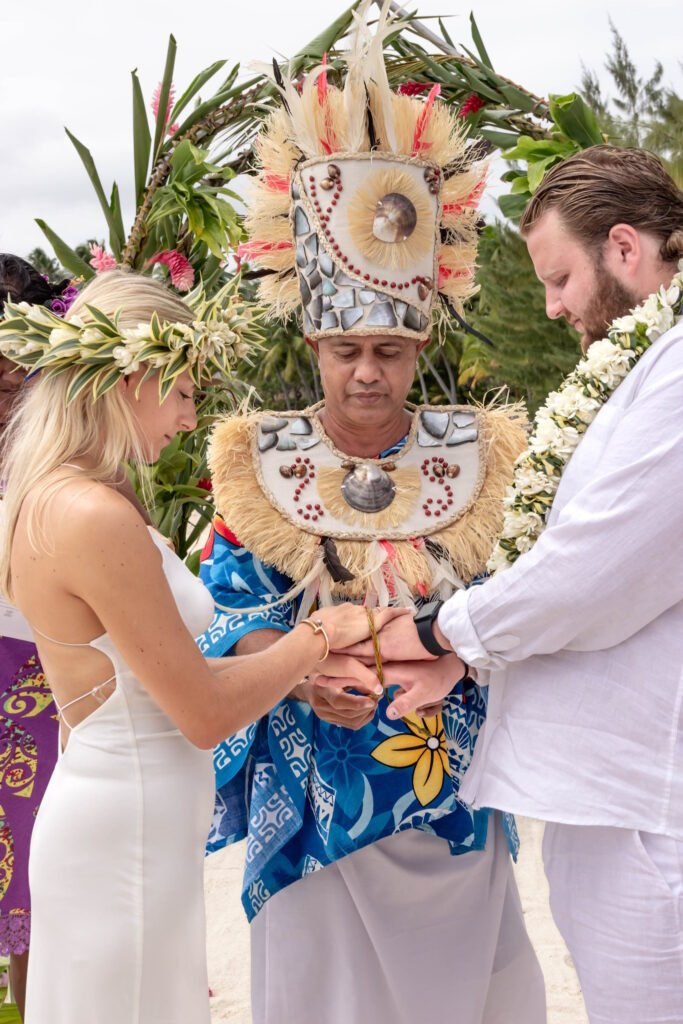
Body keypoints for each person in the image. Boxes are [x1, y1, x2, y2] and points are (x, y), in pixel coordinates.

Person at [199, 5, 546, 1022]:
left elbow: (520, 603)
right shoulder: (253, 469)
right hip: (318, 813)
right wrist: (300, 674)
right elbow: (227, 614)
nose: (365, 372)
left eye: (387, 353)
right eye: (345, 352)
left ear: (418, 348)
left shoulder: (479, 467)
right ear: (312, 347)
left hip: (450, 803)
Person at [0, 269, 393, 1024]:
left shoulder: (63, 494)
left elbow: (141, 680)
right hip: (127, 836)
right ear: (134, 375)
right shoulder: (88, 514)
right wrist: (318, 636)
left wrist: (294, 684)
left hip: (127, 822)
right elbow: (202, 715)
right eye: (182, 390)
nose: (188, 416)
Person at [357, 145, 683, 1024]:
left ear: (623, 247)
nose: (551, 307)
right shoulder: (651, 366)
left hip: (652, 801)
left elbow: (593, 570)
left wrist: (433, 635)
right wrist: (461, 656)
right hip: (618, 796)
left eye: (560, 278)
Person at [0, 254, 79, 1019]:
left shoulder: (68, 472)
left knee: (38, 889)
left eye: (19, 372)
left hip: (46, 691)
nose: (7, 389)